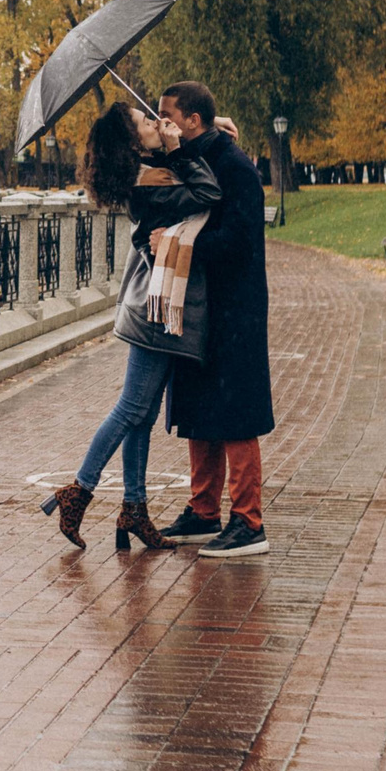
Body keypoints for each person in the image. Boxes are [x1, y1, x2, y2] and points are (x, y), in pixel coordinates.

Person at [42, 100, 221, 552]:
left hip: (157, 306)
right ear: (132, 142)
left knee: (140, 415)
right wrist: (180, 149)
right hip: (153, 313)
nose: (156, 123)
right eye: (146, 122)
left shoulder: (152, 171)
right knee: (130, 409)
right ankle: (78, 492)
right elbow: (207, 192)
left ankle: (135, 509)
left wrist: (205, 130)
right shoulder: (148, 186)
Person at [156, 81, 275, 558]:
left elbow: (239, 241)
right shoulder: (194, 159)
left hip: (235, 309)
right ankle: (203, 512)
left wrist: (178, 244)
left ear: (193, 121)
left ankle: (249, 523)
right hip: (200, 304)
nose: (162, 121)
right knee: (201, 407)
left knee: (235, 411)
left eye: (168, 115)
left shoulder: (235, 168)